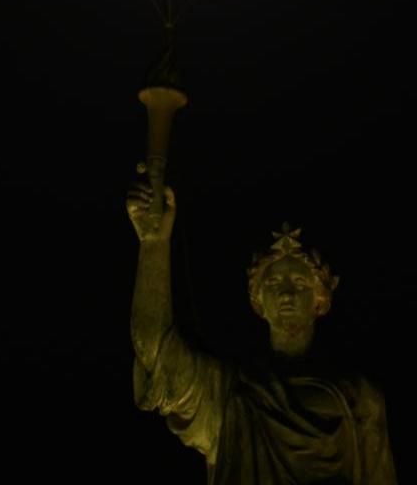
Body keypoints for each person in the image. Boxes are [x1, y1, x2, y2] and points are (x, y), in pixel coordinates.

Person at [127, 183, 397, 484]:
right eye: (273, 284)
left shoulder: (360, 398)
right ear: (257, 301)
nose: (286, 294)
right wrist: (154, 242)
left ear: (320, 299)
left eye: (300, 282)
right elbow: (153, 348)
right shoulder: (228, 393)